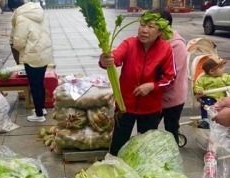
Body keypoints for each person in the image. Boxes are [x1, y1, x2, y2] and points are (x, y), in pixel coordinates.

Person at [99, 11, 176, 156]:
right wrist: (105, 60)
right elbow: (116, 56)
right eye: (142, 25)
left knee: (145, 149)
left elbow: (170, 78)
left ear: (160, 31)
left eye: (150, 26)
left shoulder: (166, 49)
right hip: (124, 107)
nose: (144, 30)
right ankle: (114, 169)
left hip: (150, 110)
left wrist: (152, 86)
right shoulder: (129, 44)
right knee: (118, 145)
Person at [8, 0, 53, 122]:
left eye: (12, 10)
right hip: (43, 53)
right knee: (40, 83)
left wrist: (14, 45)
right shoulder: (37, 12)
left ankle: (39, 115)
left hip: (32, 55)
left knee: (34, 85)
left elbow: (19, 41)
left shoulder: (22, 17)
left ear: (15, 8)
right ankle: (41, 108)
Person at [153, 9, 187, 145]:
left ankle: (173, 157)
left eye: (153, 25)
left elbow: (173, 74)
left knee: (171, 127)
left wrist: (151, 87)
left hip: (173, 97)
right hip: (157, 94)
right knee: (150, 128)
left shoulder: (177, 45)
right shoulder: (156, 40)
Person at [193, 56, 230, 129]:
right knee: (206, 104)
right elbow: (197, 86)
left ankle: (225, 119)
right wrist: (199, 90)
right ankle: (206, 120)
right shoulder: (203, 79)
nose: (223, 69)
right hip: (210, 97)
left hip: (222, 99)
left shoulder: (225, 77)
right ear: (212, 71)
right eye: (221, 68)